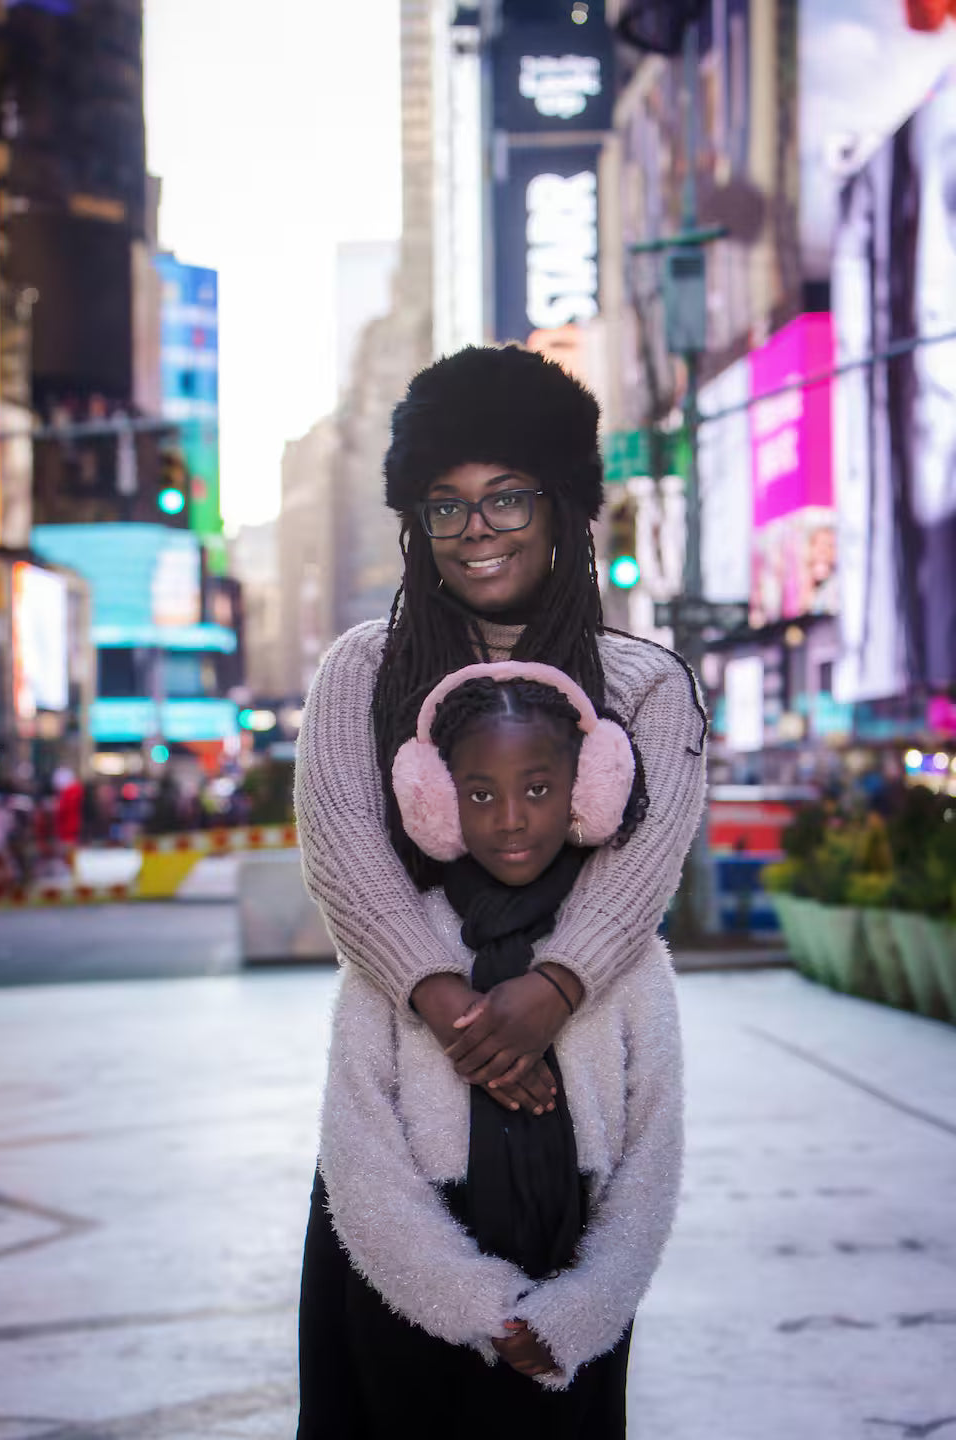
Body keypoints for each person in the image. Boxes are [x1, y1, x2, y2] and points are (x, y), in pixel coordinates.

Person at [294, 345, 707, 1434]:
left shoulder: (648, 685)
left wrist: (554, 990)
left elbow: (642, 870)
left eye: (508, 497)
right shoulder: (359, 672)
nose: (478, 530)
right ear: (414, 522)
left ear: (566, 504)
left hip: (575, 1144)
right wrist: (455, 1011)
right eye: (447, 506)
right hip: (398, 1129)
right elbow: (343, 851)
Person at [314, 664, 683, 1437]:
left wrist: (580, 1313)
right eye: (481, 794)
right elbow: (360, 1162)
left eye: (540, 789)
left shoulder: (628, 961)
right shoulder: (399, 957)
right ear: (436, 803)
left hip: (569, 1304)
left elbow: (653, 1160)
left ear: (589, 793)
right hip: (411, 1300)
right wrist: (475, 1305)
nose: (511, 818)